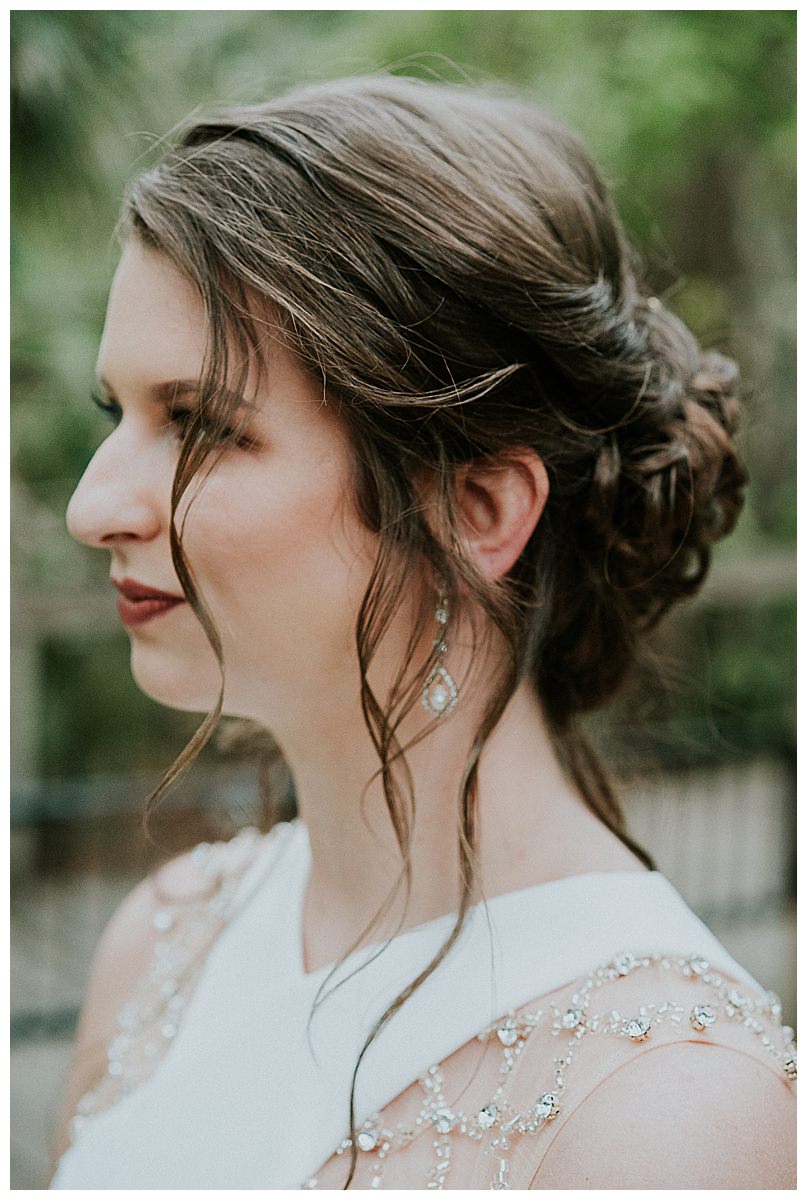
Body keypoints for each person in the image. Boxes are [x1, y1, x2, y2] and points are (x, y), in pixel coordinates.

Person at [50, 75, 795, 1189]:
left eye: (199, 424)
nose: (91, 506)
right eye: (122, 414)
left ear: (479, 509)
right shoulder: (161, 939)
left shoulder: (669, 1115)